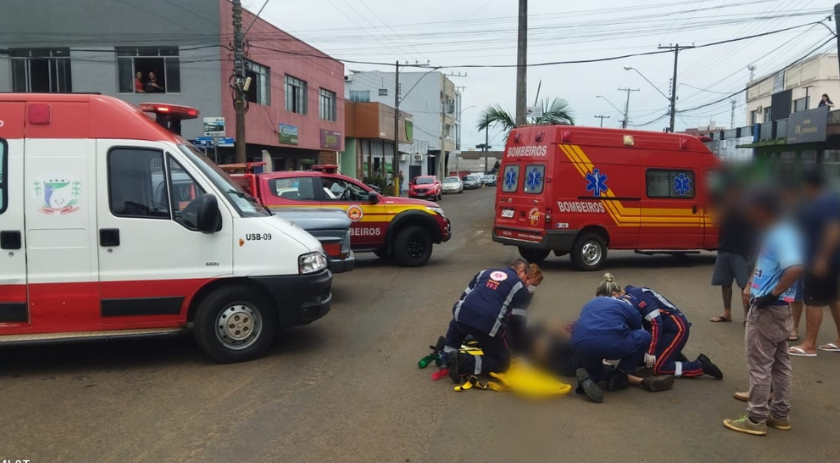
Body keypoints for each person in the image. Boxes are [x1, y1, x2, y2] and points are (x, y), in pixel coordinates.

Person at [723, 188, 803, 436]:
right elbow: (766, 264)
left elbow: (795, 268)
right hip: (776, 309)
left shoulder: (781, 234)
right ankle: (779, 414)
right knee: (780, 364)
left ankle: (756, 418)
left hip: (769, 309)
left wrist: (772, 294)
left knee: (760, 366)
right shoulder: (777, 232)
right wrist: (750, 285)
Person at [596, 274, 723, 380]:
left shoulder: (639, 297)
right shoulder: (627, 298)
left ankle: (700, 366)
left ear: (614, 295)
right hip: (661, 331)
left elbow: (656, 323)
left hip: (675, 328)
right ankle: (672, 355)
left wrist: (651, 352)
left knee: (659, 367)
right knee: (640, 360)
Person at [571, 294, 675, 403]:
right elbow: (635, 332)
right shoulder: (631, 309)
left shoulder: (592, 302)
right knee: (644, 336)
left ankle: (591, 378)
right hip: (609, 344)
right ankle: (619, 376)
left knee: (593, 362)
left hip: (578, 343)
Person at [442, 260, 530, 383]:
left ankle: (446, 357)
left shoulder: (484, 272)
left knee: (458, 323)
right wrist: (520, 351)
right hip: (488, 325)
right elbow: (518, 323)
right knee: (502, 362)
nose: (527, 283)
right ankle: (463, 362)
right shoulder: (519, 286)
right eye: (527, 278)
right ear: (521, 271)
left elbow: (464, 296)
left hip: (462, 314)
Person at [789, 169, 840, 357]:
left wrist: (822, 258)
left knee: (813, 300)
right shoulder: (825, 201)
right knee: (833, 298)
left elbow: (834, 229)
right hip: (826, 260)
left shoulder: (824, 202)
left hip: (821, 260)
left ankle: (809, 345)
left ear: (808, 184)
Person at [711, 183, 755, 323]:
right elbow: (715, 221)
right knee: (725, 283)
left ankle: (747, 316)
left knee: (744, 284)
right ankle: (727, 312)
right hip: (724, 248)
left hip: (742, 250)